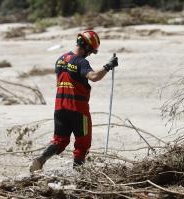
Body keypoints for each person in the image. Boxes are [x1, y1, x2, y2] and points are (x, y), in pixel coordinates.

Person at [30, 30, 118, 172]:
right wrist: (108, 66)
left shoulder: (60, 59)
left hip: (60, 108)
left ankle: (41, 159)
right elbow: (94, 76)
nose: (90, 54)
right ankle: (78, 175)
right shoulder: (81, 62)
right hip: (78, 110)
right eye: (91, 51)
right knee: (83, 144)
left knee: (60, 140)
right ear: (87, 47)